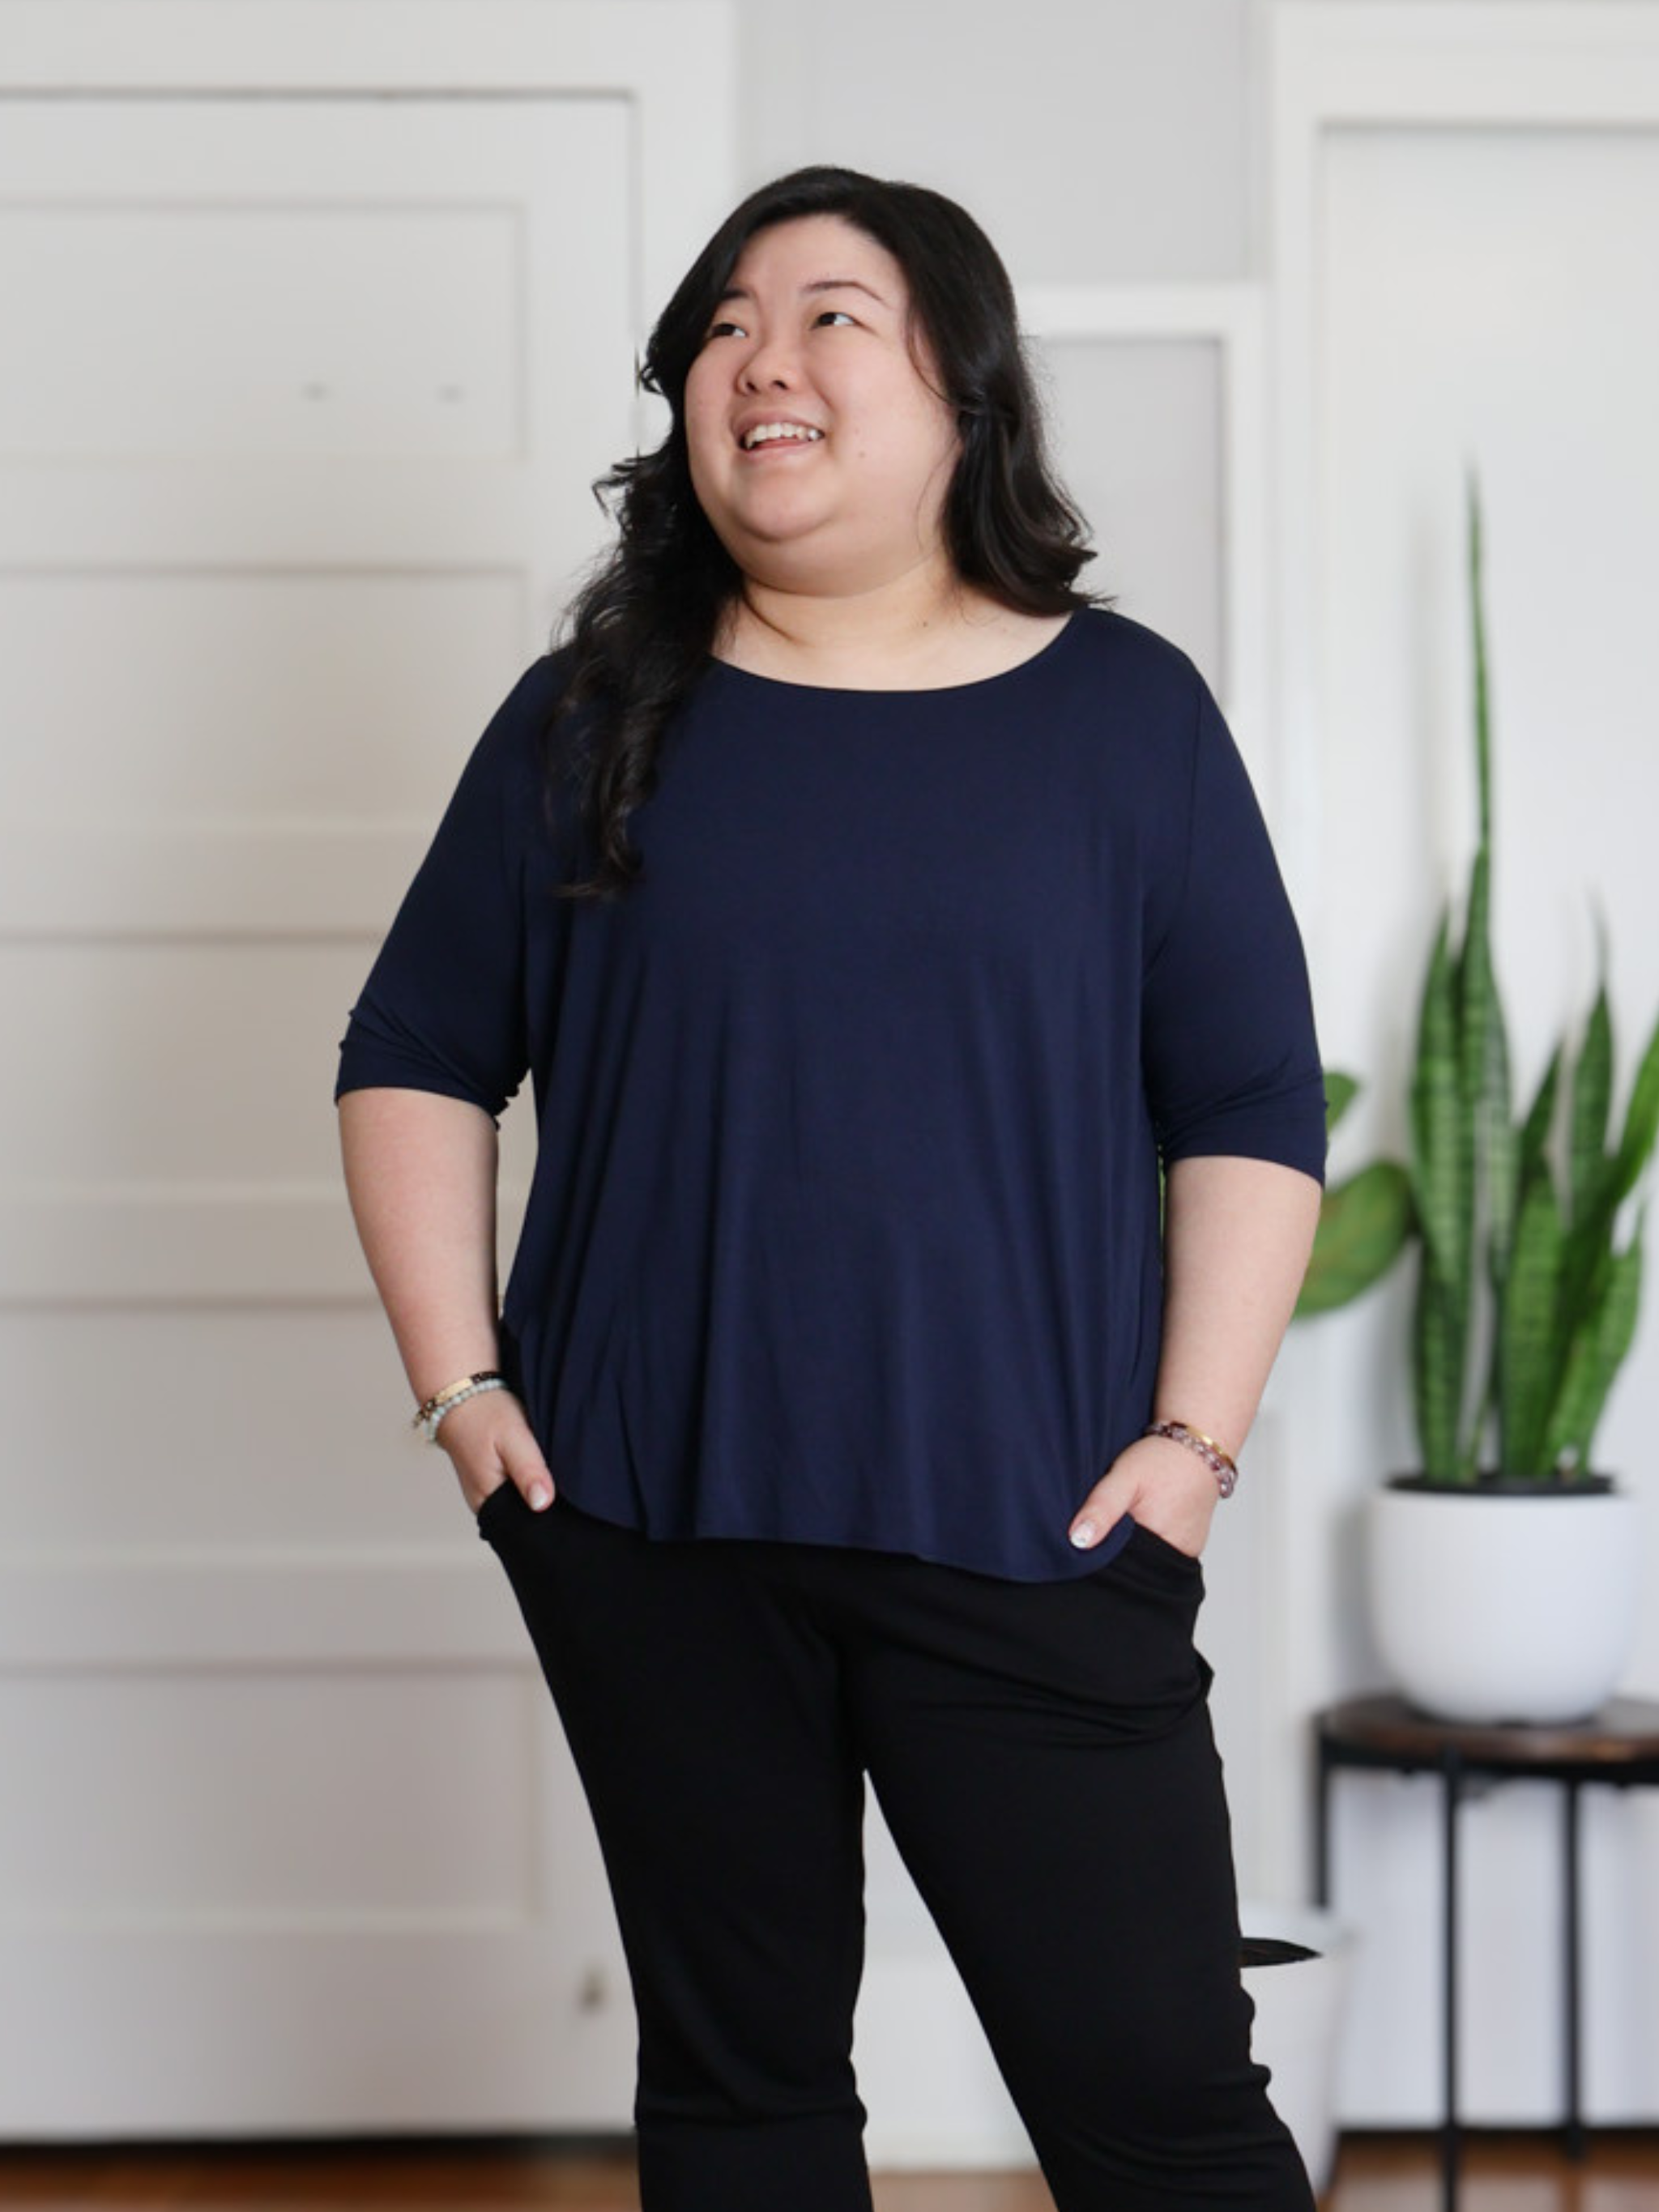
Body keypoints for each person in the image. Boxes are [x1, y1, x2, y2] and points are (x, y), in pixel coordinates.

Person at [335, 163, 1326, 2212]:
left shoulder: (1123, 716)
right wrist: (464, 1392)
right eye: (721, 327)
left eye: (825, 317)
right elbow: (416, 1050)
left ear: (964, 390)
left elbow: (1244, 1098)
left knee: (1159, 2109)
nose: (758, 359)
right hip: (649, 1527)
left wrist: (1189, 1451)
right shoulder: (591, 715)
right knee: (741, 2099)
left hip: (1035, 1525)